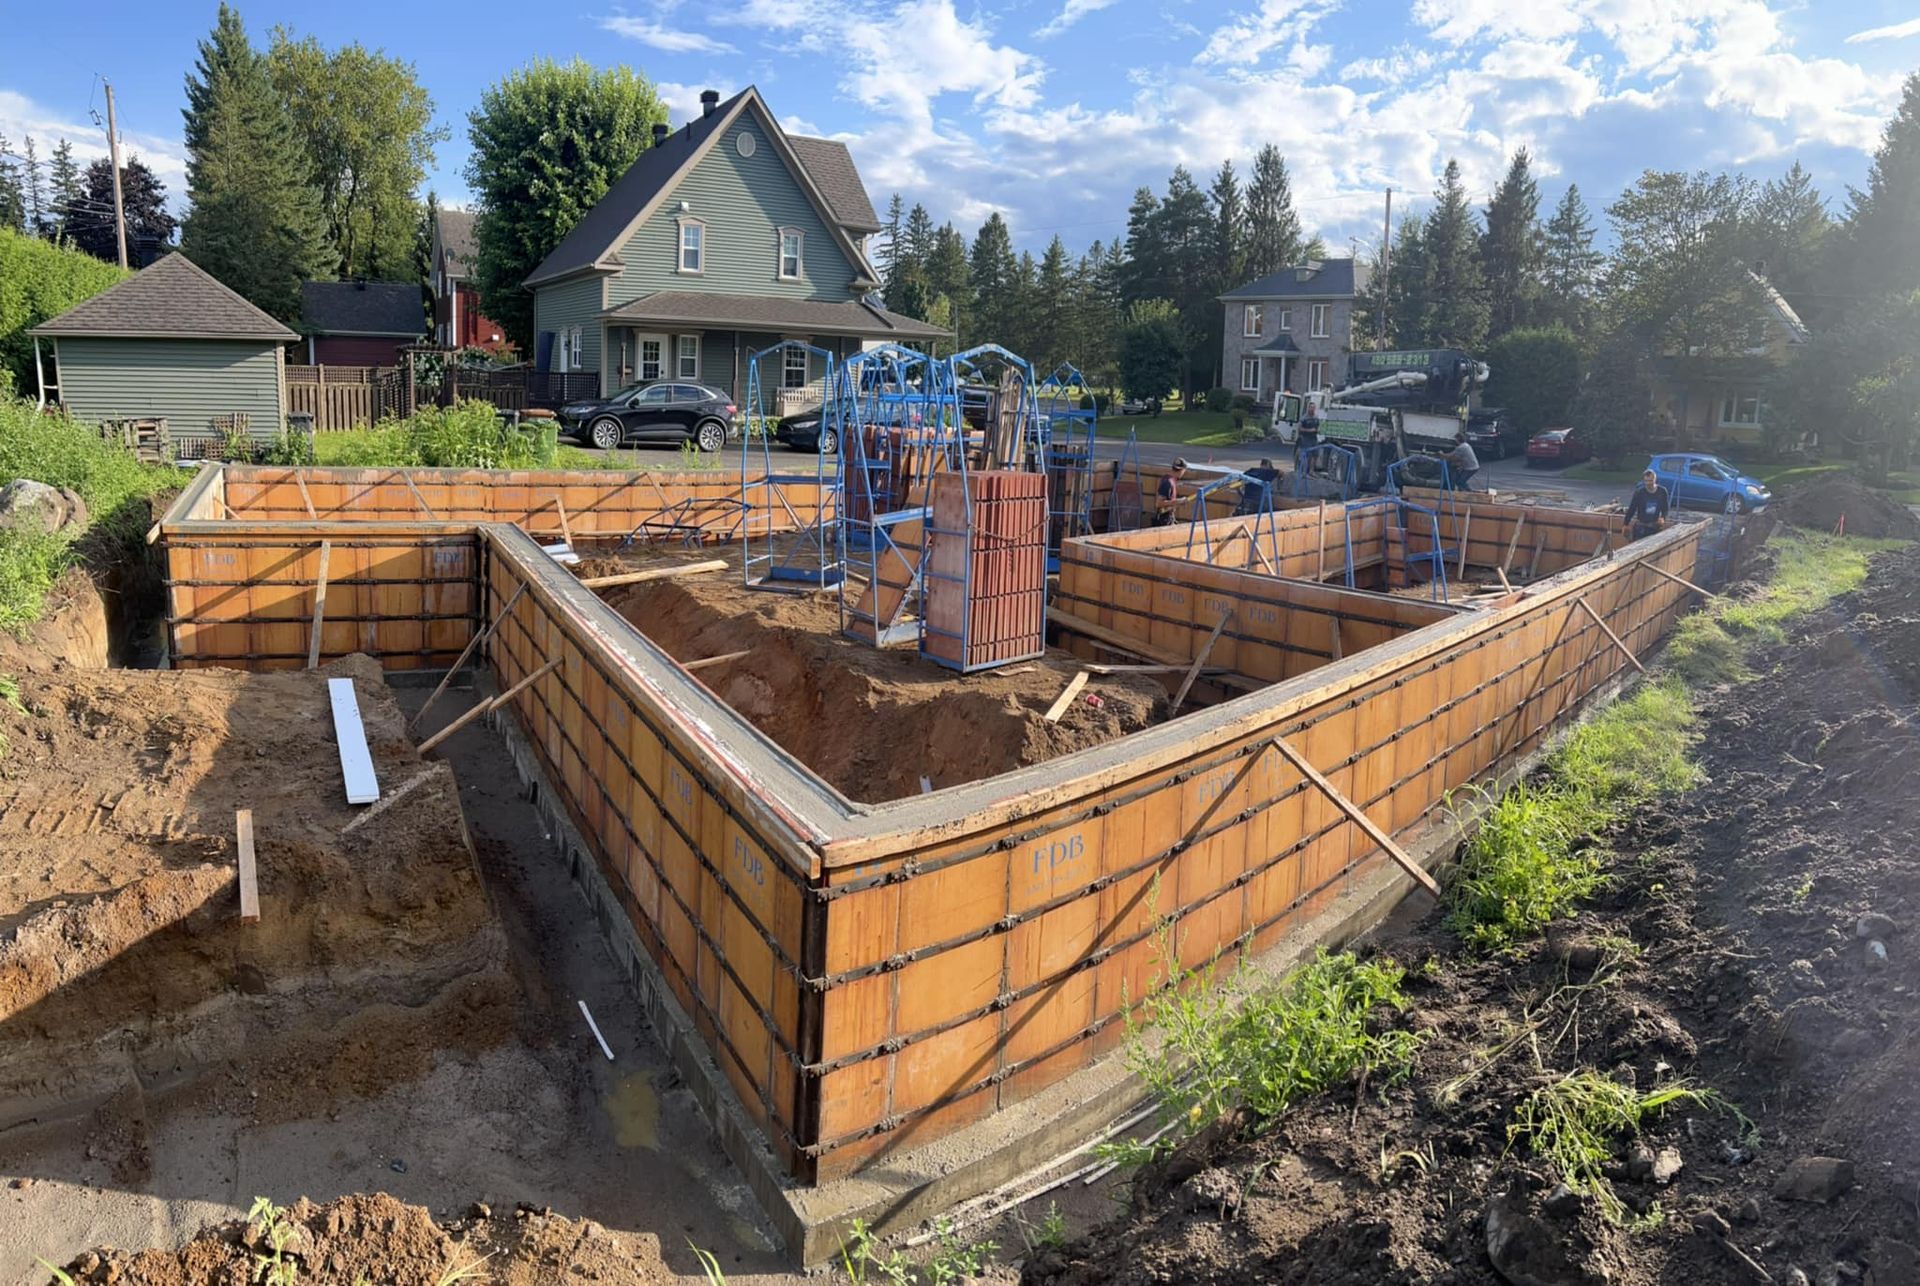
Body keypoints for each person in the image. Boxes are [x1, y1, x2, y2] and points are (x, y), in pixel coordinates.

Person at [1622, 468, 1671, 540]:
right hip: (1641, 527)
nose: (1648, 483)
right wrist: (1625, 524)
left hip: (1655, 527)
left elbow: (1665, 508)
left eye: (1650, 481)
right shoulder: (1639, 492)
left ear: (1655, 480)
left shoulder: (1662, 492)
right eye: (1646, 481)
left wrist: (1663, 517)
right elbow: (1632, 509)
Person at [1155, 458, 1188, 526]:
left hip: (1168, 518)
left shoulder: (1169, 480)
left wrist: (1177, 503)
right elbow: (1159, 503)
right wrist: (1178, 501)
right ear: (1182, 471)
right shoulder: (1168, 483)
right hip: (1164, 521)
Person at [1294, 397, 1322, 470]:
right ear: (1308, 408)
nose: (1312, 409)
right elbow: (1299, 428)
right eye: (1311, 407)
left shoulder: (1316, 418)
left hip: (1314, 438)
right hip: (1305, 439)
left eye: (1314, 408)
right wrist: (1309, 430)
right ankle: (1303, 470)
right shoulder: (1304, 418)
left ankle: (1311, 471)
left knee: (1315, 455)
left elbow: (1318, 426)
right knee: (1307, 455)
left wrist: (1318, 430)